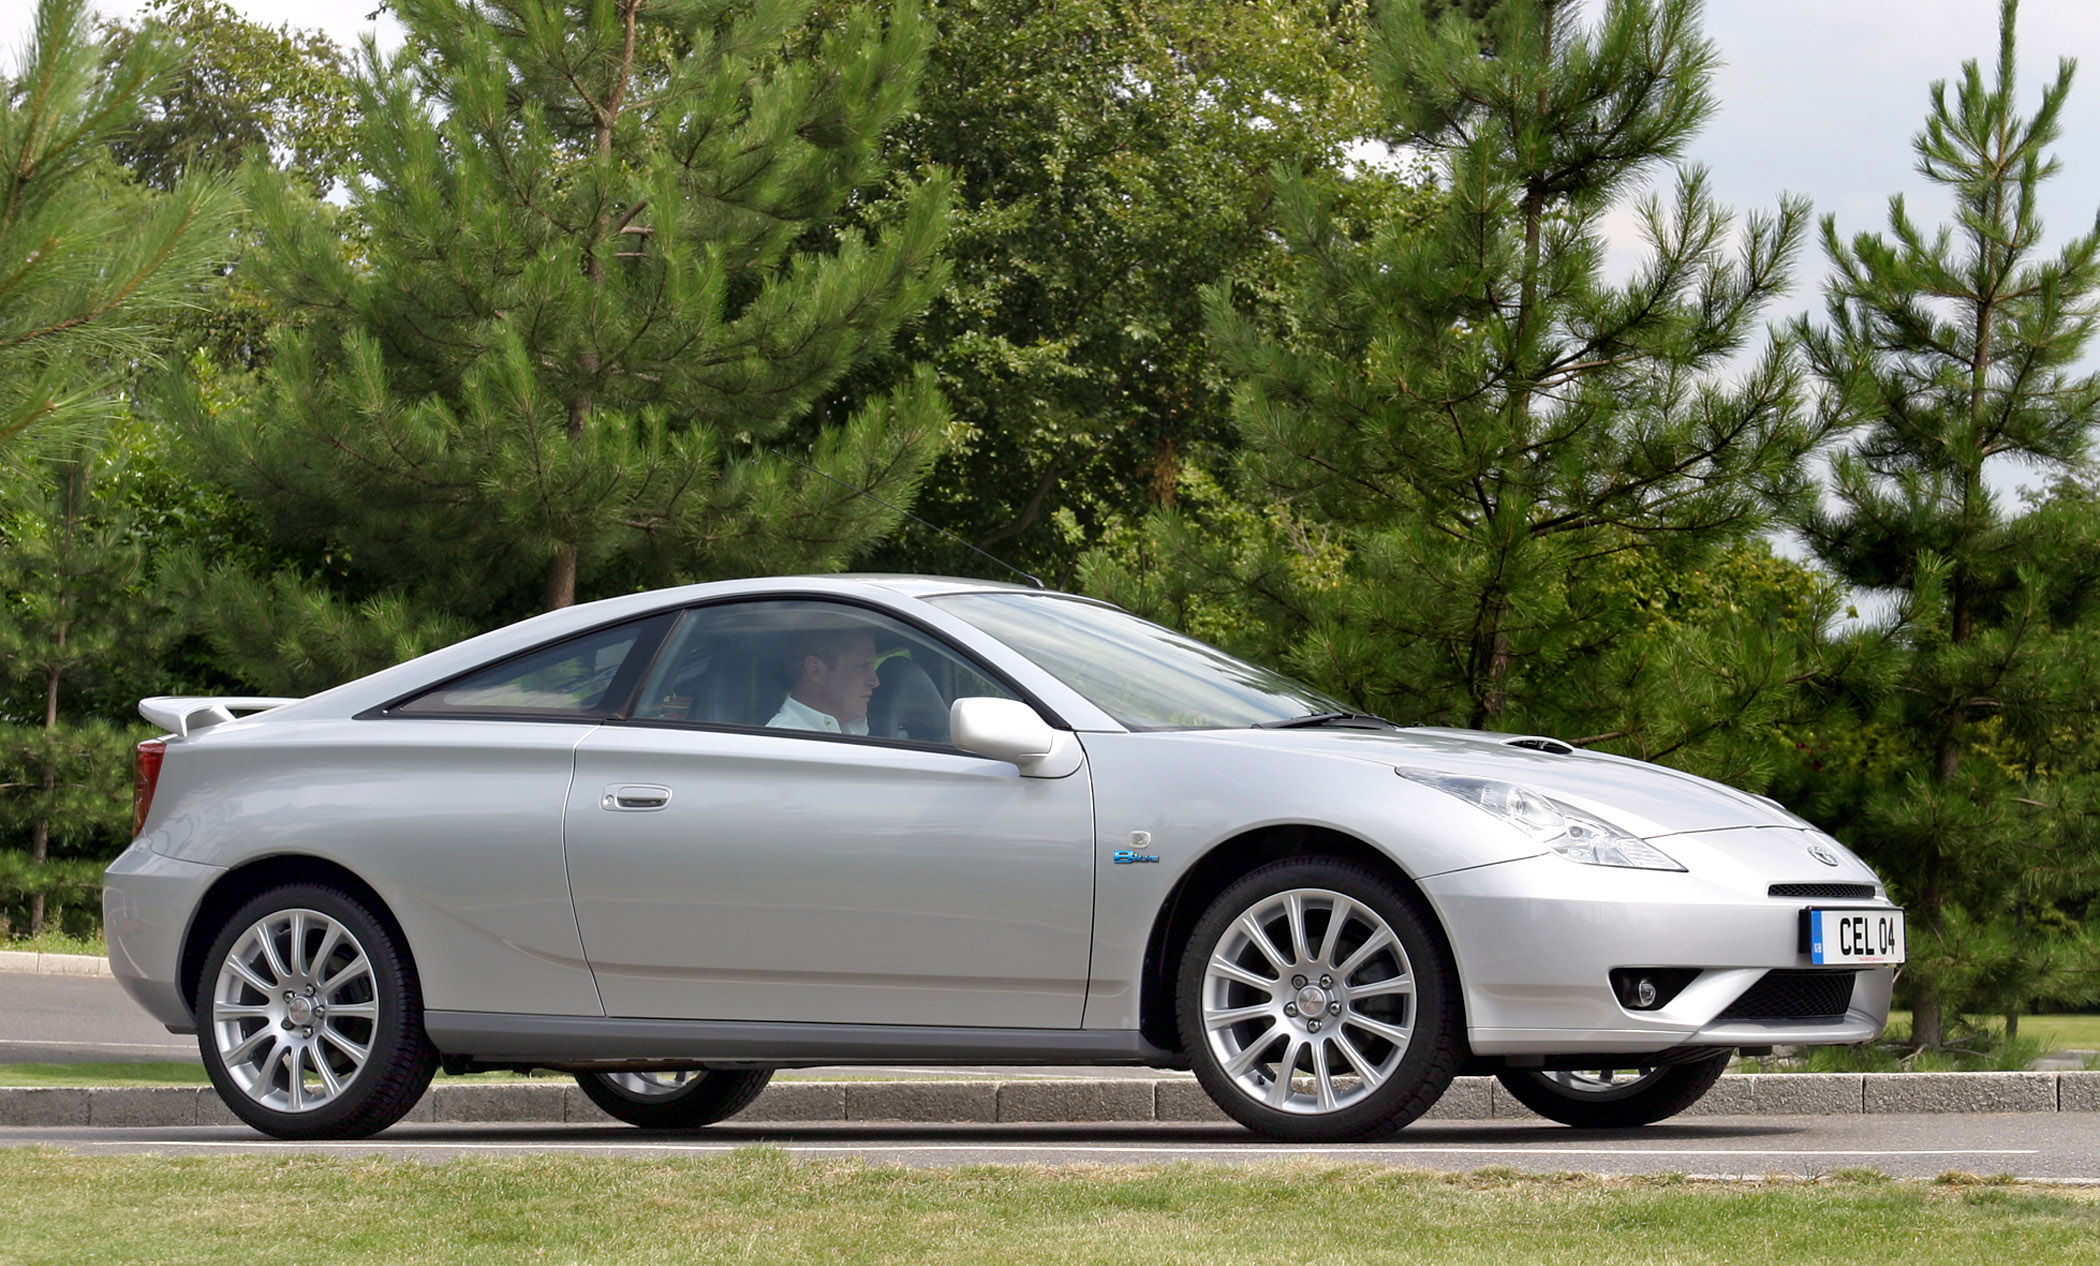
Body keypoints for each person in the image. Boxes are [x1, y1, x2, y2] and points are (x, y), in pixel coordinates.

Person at [768, 627, 881, 734]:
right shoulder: (786, 742)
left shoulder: (851, 728)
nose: (875, 682)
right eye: (862, 666)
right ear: (815, 670)